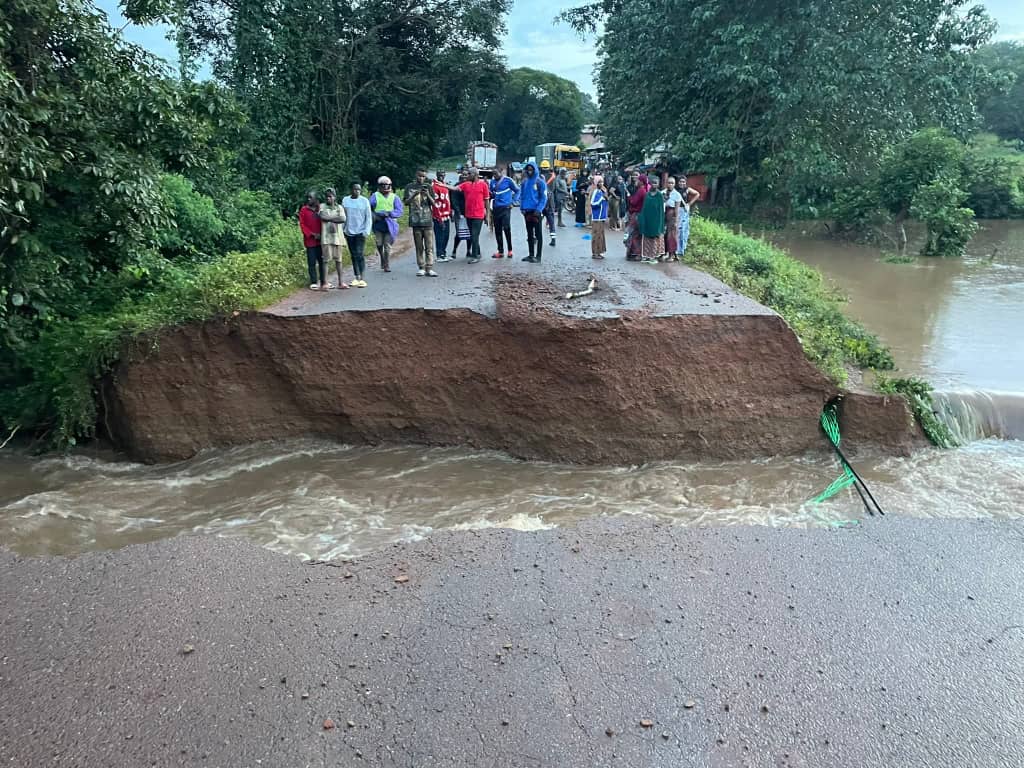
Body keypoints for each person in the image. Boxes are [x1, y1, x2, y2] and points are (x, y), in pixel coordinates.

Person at [446, 168, 489, 264]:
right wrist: (442, 185)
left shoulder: (483, 185)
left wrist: (488, 216)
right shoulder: (466, 185)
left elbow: (486, 200)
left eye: (469, 174)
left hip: (479, 215)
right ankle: (478, 253)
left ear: (475, 174)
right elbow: (454, 188)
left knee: (474, 235)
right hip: (469, 214)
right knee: (473, 235)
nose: (467, 175)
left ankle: (475, 256)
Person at [404, 169, 437, 277]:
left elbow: (434, 204)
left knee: (429, 246)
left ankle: (429, 267)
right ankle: (421, 266)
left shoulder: (429, 187)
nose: (421, 178)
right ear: (416, 175)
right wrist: (414, 195)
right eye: (420, 176)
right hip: (416, 221)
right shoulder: (409, 187)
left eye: (423, 176)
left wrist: (427, 194)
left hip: (427, 220)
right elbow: (406, 202)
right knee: (419, 246)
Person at [370, 176, 403, 272]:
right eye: (383, 185)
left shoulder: (394, 197)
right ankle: (382, 257)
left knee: (387, 245)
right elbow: (369, 207)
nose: (385, 187)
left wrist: (390, 213)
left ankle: (386, 264)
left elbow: (399, 210)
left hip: (390, 224)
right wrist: (376, 214)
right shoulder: (375, 196)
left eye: (387, 185)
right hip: (378, 223)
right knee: (379, 243)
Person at [341, 182, 371, 287]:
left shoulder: (364, 201)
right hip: (349, 231)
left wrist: (366, 231)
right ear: (351, 190)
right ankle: (356, 276)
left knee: (359, 253)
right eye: (354, 189)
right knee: (353, 254)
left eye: (358, 189)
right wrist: (342, 230)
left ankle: (362, 277)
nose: (356, 191)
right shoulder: (345, 200)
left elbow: (368, 217)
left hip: (360, 231)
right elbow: (343, 216)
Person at [518, 160, 548, 263]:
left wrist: (539, 209)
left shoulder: (540, 182)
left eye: (531, 169)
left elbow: (543, 198)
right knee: (529, 234)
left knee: (538, 234)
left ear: (535, 170)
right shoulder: (525, 182)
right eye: (528, 169)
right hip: (527, 212)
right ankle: (531, 255)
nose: (529, 171)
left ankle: (538, 256)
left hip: (536, 212)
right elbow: (522, 196)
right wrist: (522, 208)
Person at [318, 188, 348, 289]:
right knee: (326, 260)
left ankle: (341, 282)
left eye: (330, 196)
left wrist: (329, 219)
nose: (328, 198)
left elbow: (343, 219)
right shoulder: (322, 206)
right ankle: (325, 283)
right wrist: (335, 219)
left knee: (339, 260)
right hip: (326, 238)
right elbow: (322, 216)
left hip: (337, 238)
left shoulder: (339, 207)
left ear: (334, 197)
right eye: (327, 196)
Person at [299, 191, 328, 290]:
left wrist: (322, 234)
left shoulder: (321, 208)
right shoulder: (304, 210)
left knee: (322, 261)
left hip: (321, 240)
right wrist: (311, 234)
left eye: (311, 197)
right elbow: (302, 224)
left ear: (316, 198)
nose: (308, 199)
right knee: (311, 262)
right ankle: (314, 281)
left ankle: (323, 280)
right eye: (308, 197)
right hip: (310, 240)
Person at [489, 165, 519, 259]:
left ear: (501, 172)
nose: (494, 176)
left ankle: (510, 250)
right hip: (496, 209)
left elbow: (518, 191)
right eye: (493, 174)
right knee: (497, 230)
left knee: (506, 228)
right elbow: (491, 194)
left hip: (506, 208)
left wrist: (513, 202)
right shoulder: (492, 182)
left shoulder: (508, 180)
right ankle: (500, 251)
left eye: (496, 173)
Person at [637, 175, 666, 263]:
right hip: (647, 220)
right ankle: (646, 256)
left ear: (658, 184)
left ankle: (653, 257)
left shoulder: (659, 196)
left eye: (655, 183)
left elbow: (661, 210)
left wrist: (660, 223)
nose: (653, 185)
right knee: (646, 238)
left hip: (656, 220)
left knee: (655, 239)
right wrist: (642, 219)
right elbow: (644, 208)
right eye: (652, 183)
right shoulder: (647, 195)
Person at [674, 176, 701, 261]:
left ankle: (681, 250)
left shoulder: (687, 189)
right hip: (676, 211)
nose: (682, 183)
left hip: (684, 211)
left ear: (685, 182)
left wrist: (689, 203)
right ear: (677, 182)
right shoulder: (675, 190)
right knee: (676, 231)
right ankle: (675, 250)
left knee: (683, 231)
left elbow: (697, 194)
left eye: (683, 182)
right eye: (680, 182)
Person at [625, 174, 649, 261]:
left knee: (634, 234)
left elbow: (634, 202)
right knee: (636, 234)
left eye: (638, 180)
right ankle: (635, 252)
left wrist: (629, 197)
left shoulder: (641, 191)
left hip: (637, 214)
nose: (636, 181)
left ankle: (636, 253)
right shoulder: (642, 190)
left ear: (641, 182)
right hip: (639, 214)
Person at [432, 170, 452, 263]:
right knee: (439, 236)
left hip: (446, 215)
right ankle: (439, 254)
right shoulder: (435, 187)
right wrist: (439, 218)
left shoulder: (444, 185)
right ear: (437, 175)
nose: (442, 177)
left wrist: (450, 212)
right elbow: (435, 204)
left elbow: (448, 200)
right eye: (440, 175)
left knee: (446, 235)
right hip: (438, 216)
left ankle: (443, 253)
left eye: (443, 175)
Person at [449, 171, 470, 259]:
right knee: (459, 233)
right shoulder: (456, 187)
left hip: (469, 213)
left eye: (466, 175)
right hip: (459, 213)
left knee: (470, 233)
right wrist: (458, 212)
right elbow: (454, 201)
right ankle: (454, 250)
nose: (464, 177)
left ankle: (468, 251)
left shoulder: (470, 185)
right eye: (463, 176)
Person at [589, 175, 609, 260]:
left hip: (602, 218)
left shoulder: (602, 191)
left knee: (601, 235)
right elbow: (593, 203)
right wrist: (601, 199)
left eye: (602, 182)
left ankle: (599, 252)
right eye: (599, 182)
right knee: (596, 235)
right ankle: (595, 253)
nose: (601, 183)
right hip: (596, 217)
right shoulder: (595, 192)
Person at [663, 176, 682, 259]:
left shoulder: (677, 194)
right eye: (669, 182)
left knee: (672, 235)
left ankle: (671, 254)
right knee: (663, 233)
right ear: (666, 183)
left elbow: (677, 209)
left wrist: (676, 220)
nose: (670, 184)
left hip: (672, 214)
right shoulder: (662, 193)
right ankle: (663, 252)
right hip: (663, 213)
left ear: (674, 184)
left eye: (672, 183)